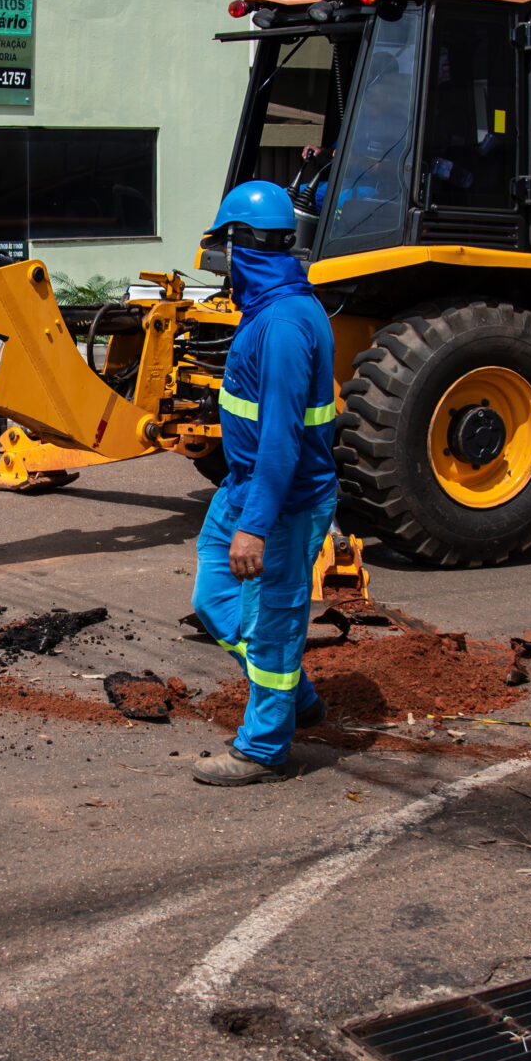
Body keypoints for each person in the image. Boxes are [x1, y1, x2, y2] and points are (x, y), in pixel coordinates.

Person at [190, 180, 341, 787]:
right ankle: (297, 699)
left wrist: (255, 524)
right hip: (243, 486)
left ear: (242, 245)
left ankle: (261, 749)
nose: (219, 260)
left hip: (280, 502)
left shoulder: (281, 325)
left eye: (224, 245)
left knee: (272, 625)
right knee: (212, 596)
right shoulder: (275, 308)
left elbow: (281, 437)